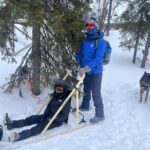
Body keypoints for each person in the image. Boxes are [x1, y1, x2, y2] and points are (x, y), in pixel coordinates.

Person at [4, 80, 72, 142]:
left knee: (38, 128)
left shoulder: (65, 101)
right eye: (57, 89)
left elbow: (64, 116)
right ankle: (11, 124)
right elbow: (49, 107)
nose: (57, 91)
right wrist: (46, 115)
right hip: (47, 116)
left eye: (60, 89)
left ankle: (19, 136)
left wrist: (52, 118)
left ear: (64, 91)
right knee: (32, 118)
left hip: (54, 121)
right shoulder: (55, 96)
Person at [76, 17, 107, 124]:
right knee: (86, 89)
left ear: (96, 26)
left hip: (96, 72)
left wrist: (86, 68)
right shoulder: (85, 40)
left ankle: (100, 114)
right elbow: (81, 54)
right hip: (86, 71)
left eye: (91, 25)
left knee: (96, 93)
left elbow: (98, 58)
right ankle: (85, 106)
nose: (89, 27)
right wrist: (76, 60)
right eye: (87, 25)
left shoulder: (101, 42)